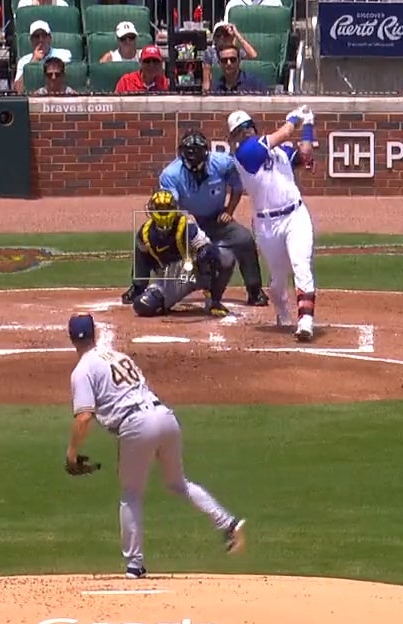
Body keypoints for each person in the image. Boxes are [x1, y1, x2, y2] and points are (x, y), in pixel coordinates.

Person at [64, 312, 246, 579]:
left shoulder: (82, 371)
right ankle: (228, 523)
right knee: (178, 483)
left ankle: (134, 566)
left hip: (137, 424)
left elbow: (83, 417)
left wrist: (71, 453)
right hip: (165, 417)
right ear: (95, 334)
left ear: (71, 338)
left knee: (131, 494)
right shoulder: (119, 357)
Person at [227, 106, 318, 342]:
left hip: (295, 215)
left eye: (247, 127)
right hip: (267, 225)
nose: (245, 133)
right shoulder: (245, 154)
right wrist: (294, 119)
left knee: (301, 265)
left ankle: (305, 321)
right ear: (234, 138)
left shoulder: (278, 152)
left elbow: (305, 155)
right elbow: (285, 132)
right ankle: (282, 312)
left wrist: (308, 125)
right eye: (239, 131)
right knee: (278, 281)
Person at [154, 129, 269, 307]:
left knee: (244, 239)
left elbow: (237, 187)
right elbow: (171, 206)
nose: (194, 165)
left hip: (216, 219)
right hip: (187, 223)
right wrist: (187, 224)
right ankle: (144, 288)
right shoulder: (171, 175)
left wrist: (229, 211)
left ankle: (254, 291)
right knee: (153, 241)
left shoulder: (223, 163)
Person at [124, 189, 237, 318]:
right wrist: (138, 288)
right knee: (143, 305)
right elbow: (142, 262)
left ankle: (214, 300)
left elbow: (206, 247)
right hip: (172, 277)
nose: (163, 212)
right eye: (160, 209)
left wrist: (202, 255)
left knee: (224, 255)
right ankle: (163, 299)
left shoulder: (187, 225)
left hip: (195, 270)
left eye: (166, 208)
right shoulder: (145, 234)